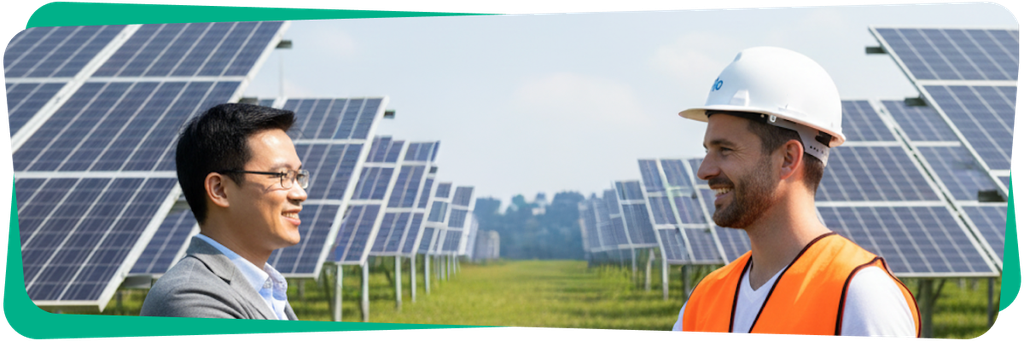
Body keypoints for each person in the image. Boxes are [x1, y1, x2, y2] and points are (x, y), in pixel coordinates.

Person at [670, 47, 920, 337]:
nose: (704, 170)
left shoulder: (859, 296)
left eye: (725, 150)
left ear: (788, 158)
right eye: (707, 151)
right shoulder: (705, 299)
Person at [141, 103, 308, 320]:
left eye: (297, 177)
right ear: (220, 190)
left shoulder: (267, 290)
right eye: (282, 176)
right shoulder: (189, 299)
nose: (299, 194)